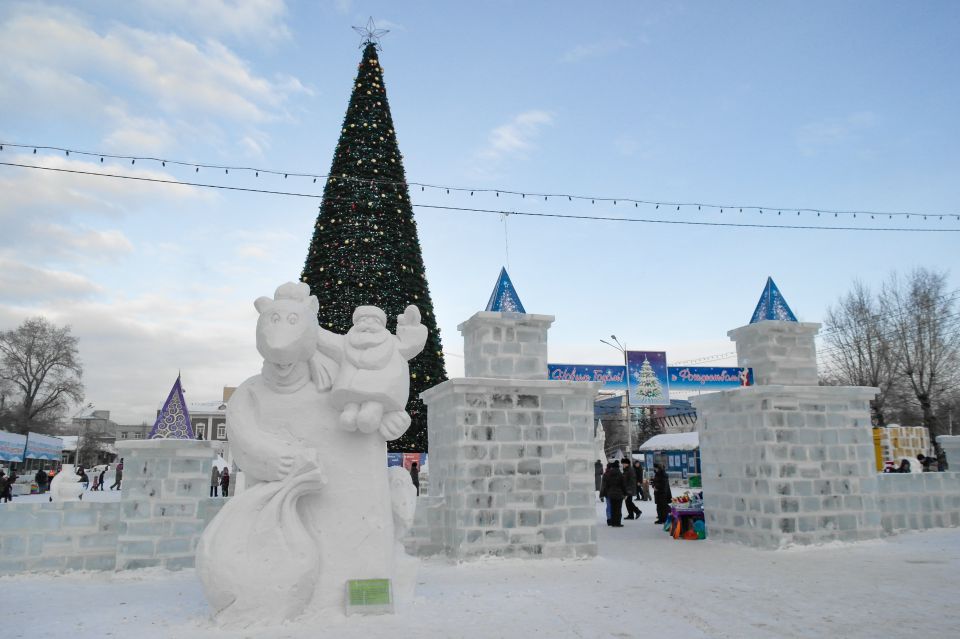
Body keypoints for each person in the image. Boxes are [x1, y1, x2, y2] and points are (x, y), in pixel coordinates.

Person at [599, 460, 627, 527]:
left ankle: (613, 522)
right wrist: (625, 493)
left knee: (613, 508)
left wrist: (607, 492)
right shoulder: (620, 475)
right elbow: (623, 485)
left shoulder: (609, 475)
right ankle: (618, 523)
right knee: (618, 509)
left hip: (611, 494)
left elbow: (606, 485)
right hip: (619, 494)